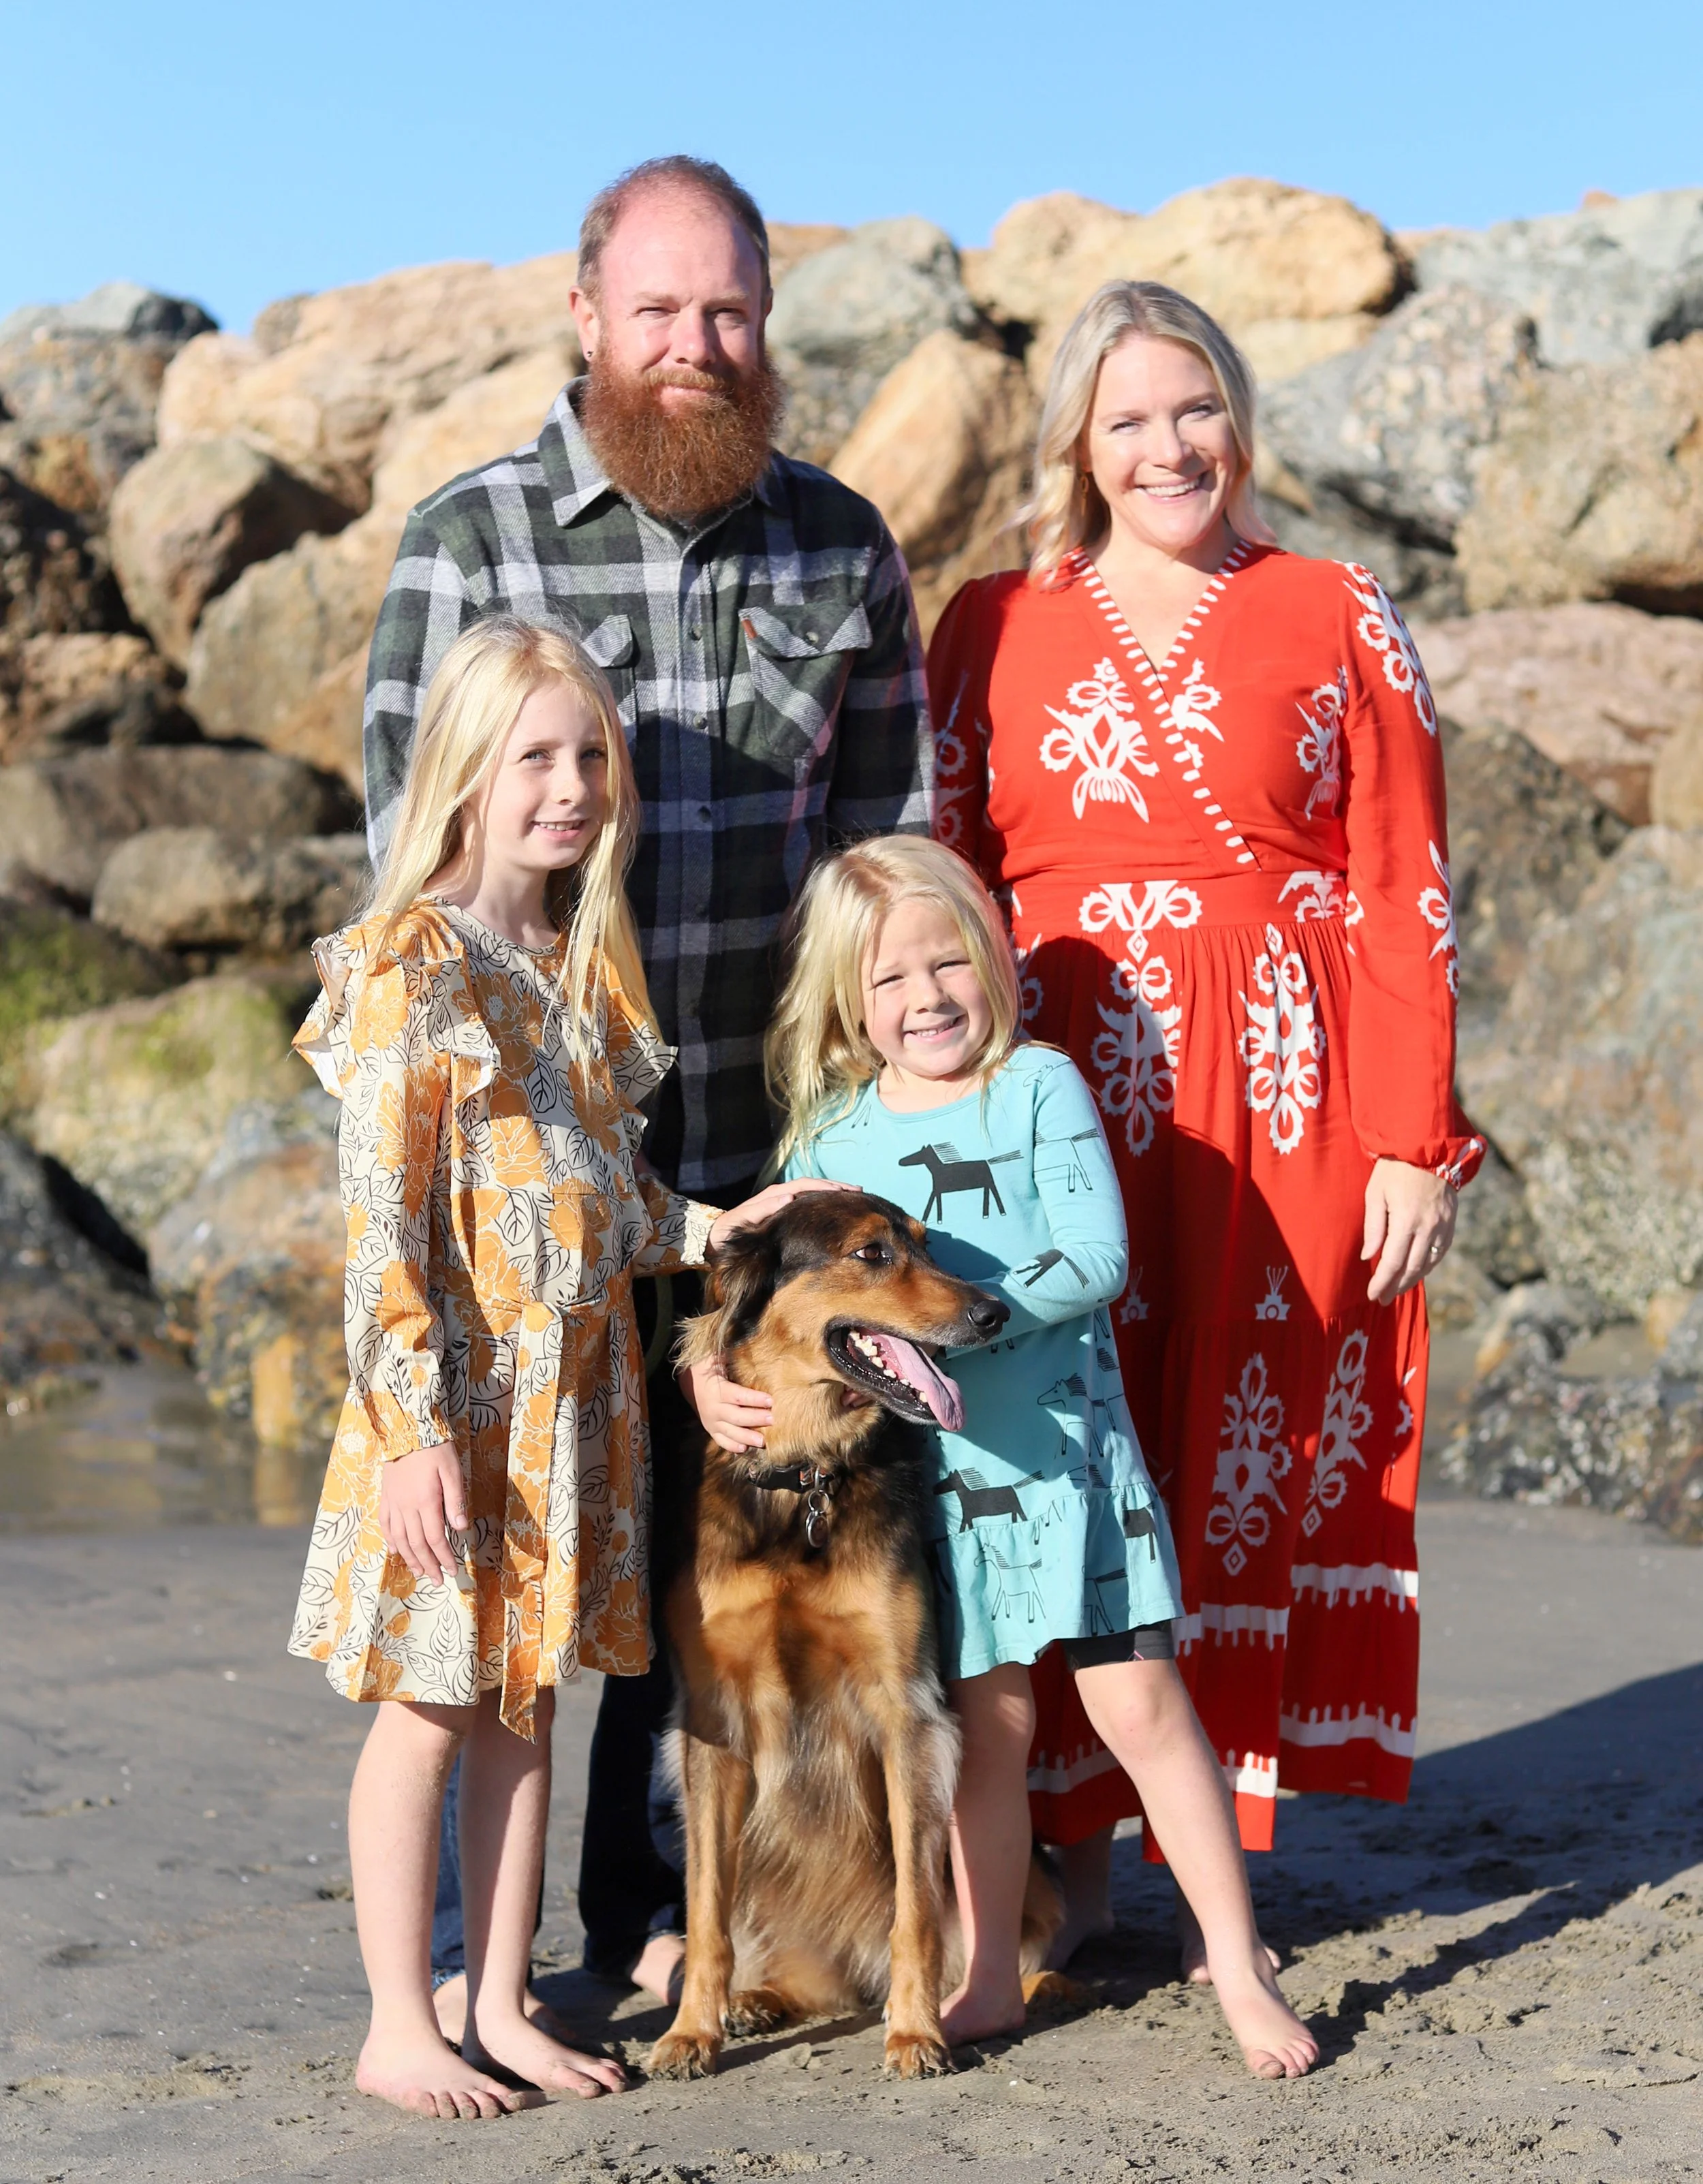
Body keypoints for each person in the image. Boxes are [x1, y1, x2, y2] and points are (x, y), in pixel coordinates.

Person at [362, 154, 933, 2014]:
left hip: (756, 1151)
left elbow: (884, 846)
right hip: (536, 1146)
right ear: (588, 314)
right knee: (511, 1531)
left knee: (686, 1532)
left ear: (764, 322)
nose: (698, 345)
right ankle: (454, 1956)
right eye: (663, 309)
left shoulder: (838, 548)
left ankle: (637, 1921)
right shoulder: (471, 542)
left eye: (731, 312)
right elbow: (405, 868)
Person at [924, 281, 1484, 1970]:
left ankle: (1178, 1841)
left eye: (1194, 410)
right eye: (1128, 420)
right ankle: (1063, 1865)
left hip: (1288, 1097)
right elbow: (939, 886)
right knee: (1054, 1448)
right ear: (1075, 449)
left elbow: (1402, 883)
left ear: (1235, 421)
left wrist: (1414, 1137)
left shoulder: (1334, 608)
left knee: (1232, 1441)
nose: (1168, 446)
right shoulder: (989, 621)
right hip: (1053, 1092)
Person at [287, 616, 832, 2118]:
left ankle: (509, 2000)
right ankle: (404, 2017)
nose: (569, 785)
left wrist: (727, 1224)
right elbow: (385, 1228)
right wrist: (408, 1432)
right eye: (533, 755)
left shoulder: (575, 965)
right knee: (428, 1707)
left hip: (570, 1411)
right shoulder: (415, 967)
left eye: (589, 755)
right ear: (463, 775)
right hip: (451, 1416)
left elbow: (604, 1201)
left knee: (527, 1706)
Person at [686, 834, 1316, 2077]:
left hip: (1072, 1471)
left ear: (990, 959)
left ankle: (1236, 1962)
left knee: (1140, 1704)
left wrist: (955, 1310)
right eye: (890, 980)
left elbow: (1096, 1257)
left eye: (947, 962)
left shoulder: (1039, 1086)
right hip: (940, 1496)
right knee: (988, 1726)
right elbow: (751, 1289)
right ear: (849, 1006)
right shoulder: (833, 1131)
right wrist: (709, 1376)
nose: (926, 997)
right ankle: (981, 1976)